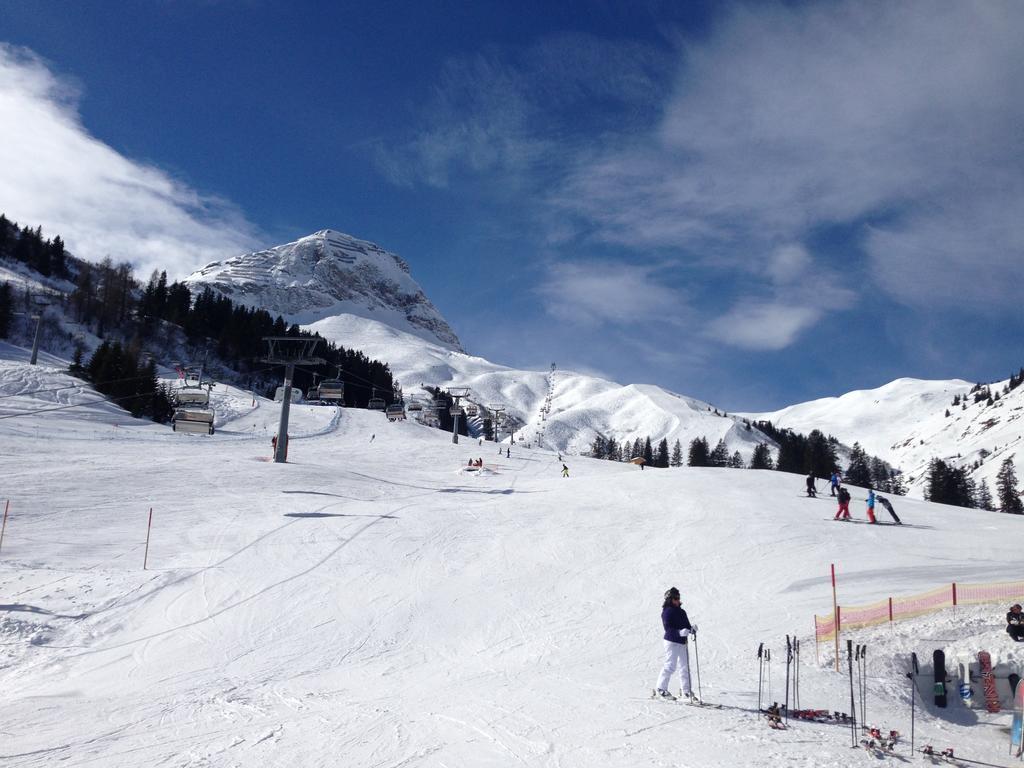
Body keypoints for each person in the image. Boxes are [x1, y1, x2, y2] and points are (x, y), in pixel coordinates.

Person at [654, 587, 698, 702]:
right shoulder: (667, 612)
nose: (678, 600)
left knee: (685, 667)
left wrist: (691, 629)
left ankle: (686, 691)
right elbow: (668, 629)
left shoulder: (682, 612)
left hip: (682, 642)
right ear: (670, 599)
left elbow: (687, 626)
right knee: (670, 665)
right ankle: (661, 689)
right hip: (671, 642)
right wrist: (679, 632)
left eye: (678, 598)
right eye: (675, 598)